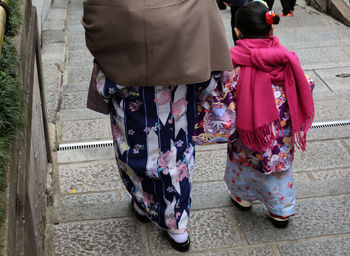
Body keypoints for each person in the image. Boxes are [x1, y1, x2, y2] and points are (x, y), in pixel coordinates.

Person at [82, 0, 232, 252]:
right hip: (180, 83)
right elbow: (205, 21)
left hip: (131, 86)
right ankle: (177, 226)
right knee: (176, 155)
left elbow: (97, 17)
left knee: (133, 150)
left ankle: (143, 202)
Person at [223, 1, 315, 228]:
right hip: (278, 137)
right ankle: (280, 210)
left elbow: (224, 96)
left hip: (247, 133)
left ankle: (243, 198)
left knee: (244, 163)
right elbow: (304, 85)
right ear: (271, 29)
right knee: (277, 171)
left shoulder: (233, 63)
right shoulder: (286, 59)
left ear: (237, 31)